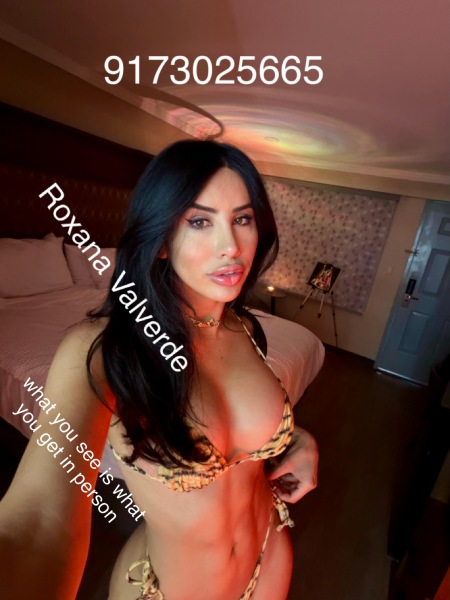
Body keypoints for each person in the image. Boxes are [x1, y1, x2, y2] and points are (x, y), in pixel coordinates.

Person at [0, 140, 319, 600]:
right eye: (200, 221)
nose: (231, 247)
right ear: (162, 239)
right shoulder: (101, 351)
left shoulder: (246, 327)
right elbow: (38, 523)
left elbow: (240, 435)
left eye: (242, 219)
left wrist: (296, 439)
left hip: (272, 562)